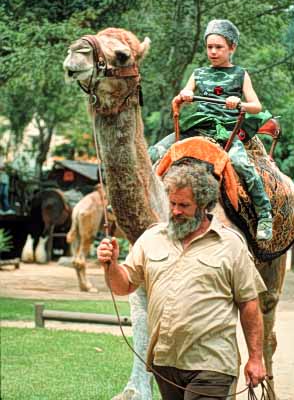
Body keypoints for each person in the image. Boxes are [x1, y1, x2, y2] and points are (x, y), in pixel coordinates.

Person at [97, 161, 267, 400]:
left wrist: (255, 358)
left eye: (184, 205)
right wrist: (112, 265)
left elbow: (249, 303)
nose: (175, 211)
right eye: (173, 203)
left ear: (204, 205)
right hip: (165, 364)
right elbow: (123, 286)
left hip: (212, 364)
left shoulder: (231, 245)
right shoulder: (151, 238)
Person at [148, 19, 273, 241]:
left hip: (226, 132)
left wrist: (239, 103)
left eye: (219, 47)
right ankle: (140, 200)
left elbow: (256, 105)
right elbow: (182, 94)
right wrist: (183, 96)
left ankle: (264, 214)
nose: (213, 52)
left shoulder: (240, 74)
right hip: (197, 128)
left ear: (232, 48)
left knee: (241, 164)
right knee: (154, 152)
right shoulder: (198, 73)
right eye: (210, 47)